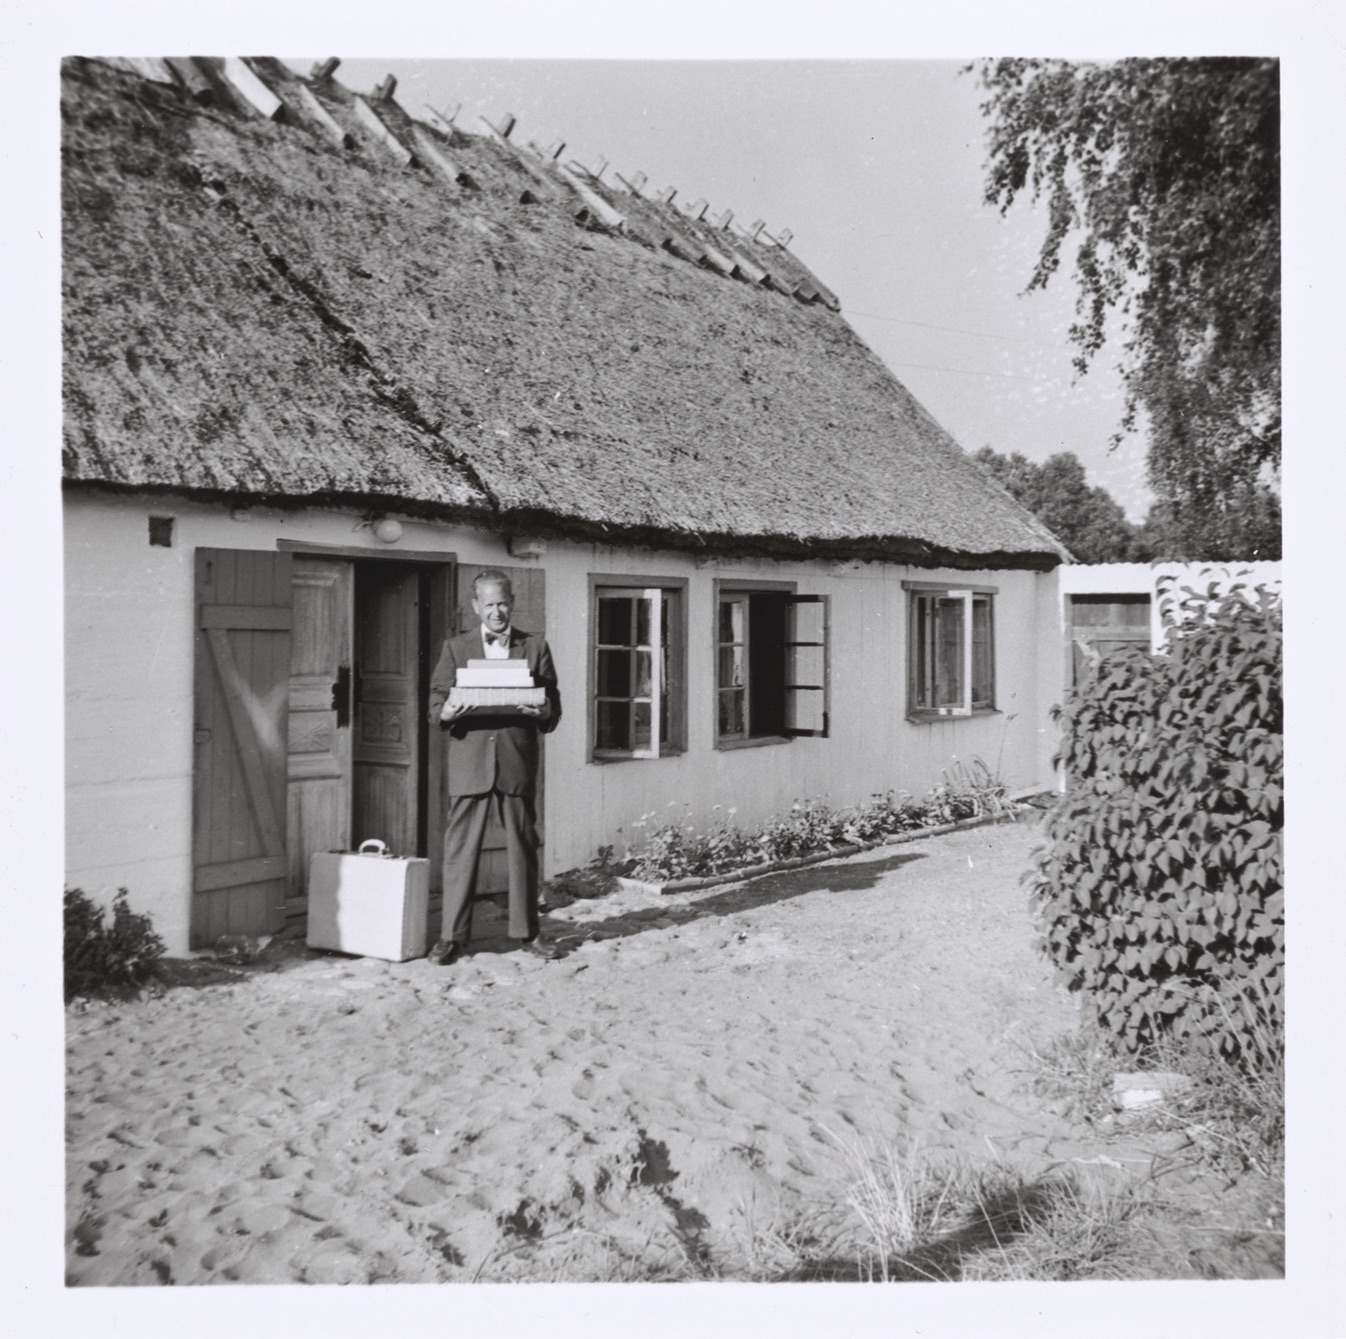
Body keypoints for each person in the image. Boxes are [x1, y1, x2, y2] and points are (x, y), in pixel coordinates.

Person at [426, 570, 562, 965]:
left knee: (522, 848)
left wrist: (542, 710)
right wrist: (447, 710)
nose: (497, 612)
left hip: (516, 761)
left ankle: (528, 933)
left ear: (513, 602)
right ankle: (451, 937)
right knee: (459, 851)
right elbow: (435, 704)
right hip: (470, 761)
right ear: (475, 607)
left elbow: (553, 709)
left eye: (502, 603)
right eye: (488, 605)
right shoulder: (455, 647)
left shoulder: (535, 647)